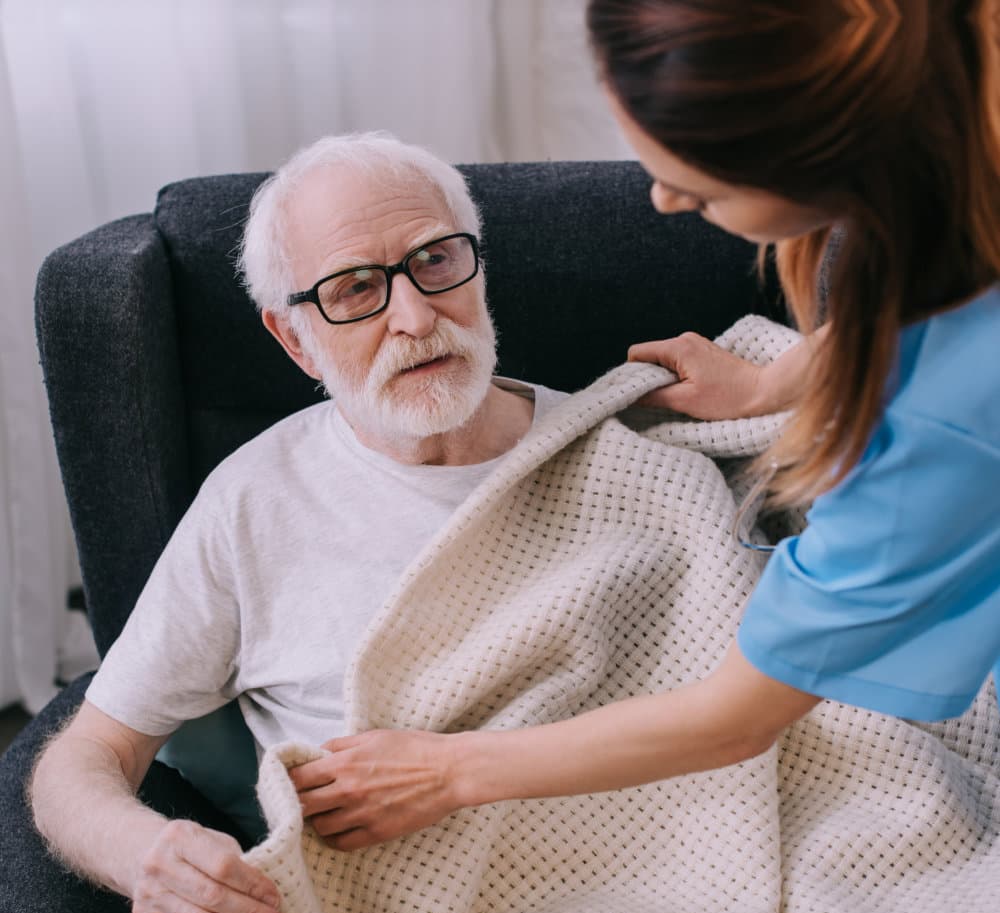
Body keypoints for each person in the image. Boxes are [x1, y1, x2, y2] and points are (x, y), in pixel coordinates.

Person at [282, 0, 1000, 847]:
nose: (660, 199)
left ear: (817, 159)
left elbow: (738, 717)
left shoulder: (929, 434)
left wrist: (446, 770)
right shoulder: (955, 101)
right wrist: (776, 382)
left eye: (696, 186)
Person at [29, 131, 567, 913]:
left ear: (478, 266)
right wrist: (145, 854)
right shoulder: (254, 503)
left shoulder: (620, 451)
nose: (416, 316)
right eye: (355, 289)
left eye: (436, 261)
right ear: (295, 340)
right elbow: (82, 757)